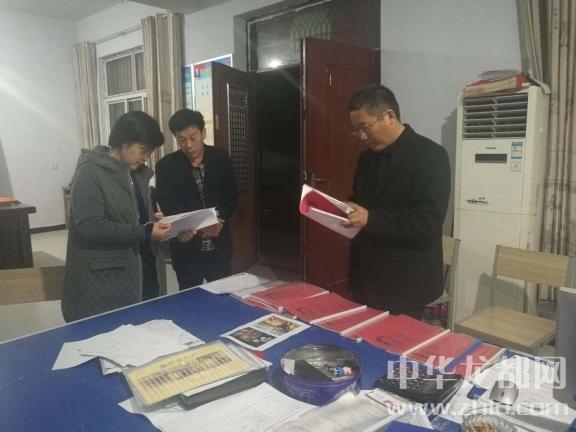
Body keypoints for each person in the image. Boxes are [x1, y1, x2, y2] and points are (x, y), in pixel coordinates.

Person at [344, 84, 451, 319]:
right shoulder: (366, 158)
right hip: (365, 273)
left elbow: (428, 220)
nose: (362, 136)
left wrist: (370, 219)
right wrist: (347, 209)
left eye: (365, 127)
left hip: (406, 280)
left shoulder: (430, 155)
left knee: (397, 341)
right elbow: (362, 200)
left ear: (389, 116)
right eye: (356, 130)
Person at [61, 111, 172, 322]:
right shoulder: (90, 172)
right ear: (123, 142)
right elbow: (90, 227)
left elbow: (141, 221)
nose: (146, 157)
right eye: (143, 150)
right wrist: (146, 231)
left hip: (145, 272)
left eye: (150, 152)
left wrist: (165, 228)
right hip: (105, 280)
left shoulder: (140, 174)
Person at [155, 109, 237, 290]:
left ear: (203, 133)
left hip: (218, 244)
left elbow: (231, 196)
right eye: (181, 140)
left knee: (223, 293)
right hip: (186, 246)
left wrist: (219, 220)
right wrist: (194, 225)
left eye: (193, 137)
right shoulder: (166, 166)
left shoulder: (221, 158)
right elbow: (167, 203)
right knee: (190, 296)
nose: (188, 145)